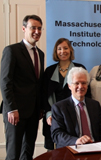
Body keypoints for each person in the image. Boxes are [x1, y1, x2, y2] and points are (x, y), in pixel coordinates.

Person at [0, 15, 44, 160]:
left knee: (28, 152)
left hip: (33, 112)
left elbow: (37, 84)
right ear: (24, 28)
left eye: (39, 28)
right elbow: (5, 82)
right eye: (33, 27)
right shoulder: (11, 50)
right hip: (15, 112)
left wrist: (40, 108)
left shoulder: (41, 54)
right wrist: (12, 109)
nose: (37, 31)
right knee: (13, 154)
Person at [42, 38, 90, 150]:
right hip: (53, 117)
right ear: (55, 51)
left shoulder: (80, 69)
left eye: (65, 48)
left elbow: (86, 93)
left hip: (74, 116)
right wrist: (49, 114)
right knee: (53, 151)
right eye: (59, 49)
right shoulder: (49, 71)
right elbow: (43, 95)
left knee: (74, 147)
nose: (62, 51)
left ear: (71, 50)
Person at [51, 67, 101, 148]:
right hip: (72, 149)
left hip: (95, 148)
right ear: (69, 85)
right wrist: (76, 141)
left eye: (83, 83)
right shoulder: (59, 107)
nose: (80, 86)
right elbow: (57, 134)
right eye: (76, 83)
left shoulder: (95, 105)